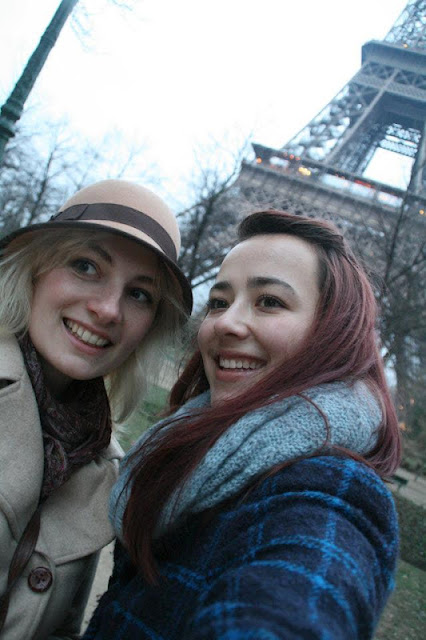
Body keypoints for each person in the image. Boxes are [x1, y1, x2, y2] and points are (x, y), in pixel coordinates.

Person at [84, 210, 401, 640]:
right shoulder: (188, 445)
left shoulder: (331, 490)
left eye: (269, 301)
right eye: (219, 302)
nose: (227, 323)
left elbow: (296, 596)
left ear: (331, 333)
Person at [0, 179, 192, 639]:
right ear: (34, 268)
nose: (108, 310)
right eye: (85, 266)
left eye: (139, 294)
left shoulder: (101, 468)